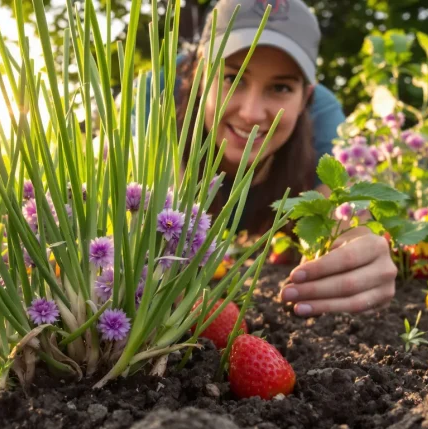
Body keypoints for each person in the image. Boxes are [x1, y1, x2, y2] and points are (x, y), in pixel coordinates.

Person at [146, 0, 397, 316]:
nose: (251, 113)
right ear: (198, 75)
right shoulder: (154, 96)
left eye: (280, 87)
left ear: (306, 97)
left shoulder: (322, 117)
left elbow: (341, 209)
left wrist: (360, 247)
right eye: (231, 78)